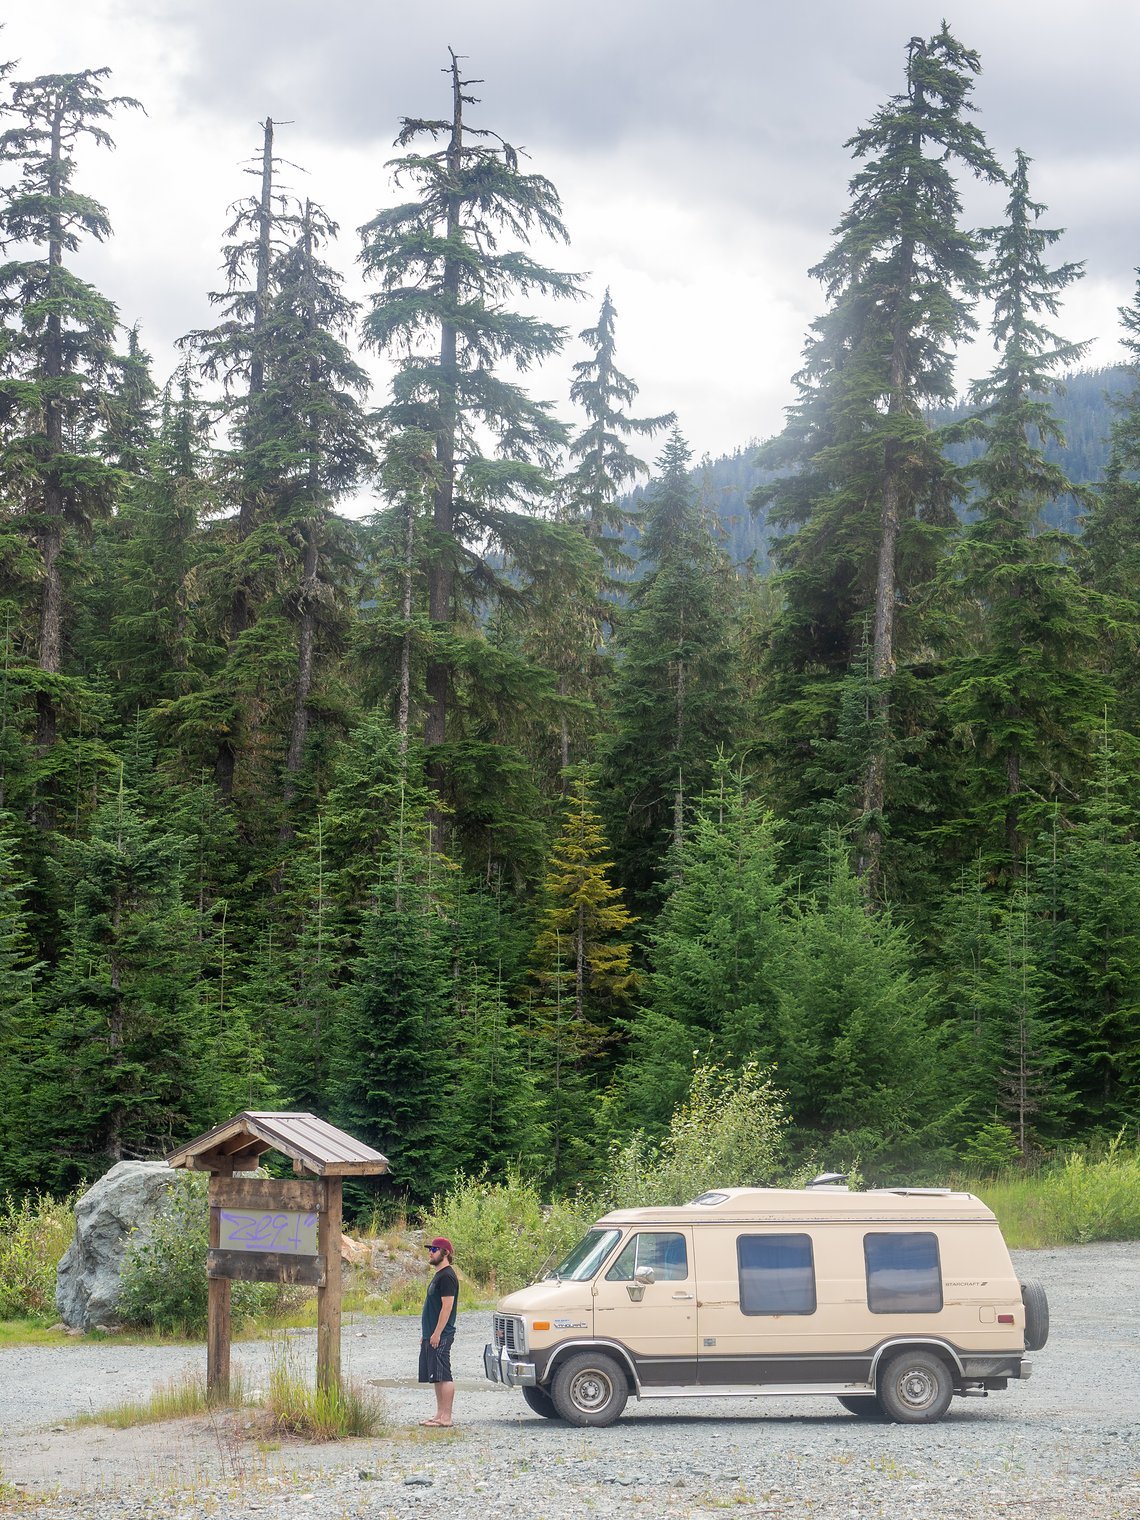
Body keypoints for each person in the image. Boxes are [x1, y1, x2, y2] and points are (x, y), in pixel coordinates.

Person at [418, 1235, 458, 1426]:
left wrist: (437, 1333)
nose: (430, 1252)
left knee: (444, 1373)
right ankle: (439, 1415)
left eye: (434, 1249)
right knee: (435, 1375)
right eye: (430, 1249)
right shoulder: (439, 1275)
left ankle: (447, 1418)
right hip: (431, 1333)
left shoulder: (448, 1276)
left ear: (445, 1253)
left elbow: (447, 1307)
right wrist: (426, 1334)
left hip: (441, 1334)